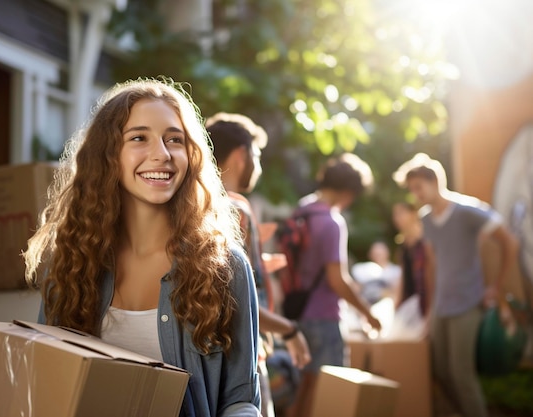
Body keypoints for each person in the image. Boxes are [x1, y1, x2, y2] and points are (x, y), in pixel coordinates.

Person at [23, 78, 261, 417]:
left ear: (190, 155)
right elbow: (45, 381)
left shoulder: (225, 266)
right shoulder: (70, 262)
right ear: (108, 155)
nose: (161, 155)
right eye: (139, 138)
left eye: (174, 140)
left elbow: (242, 399)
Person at [393, 152, 518, 417]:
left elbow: (509, 242)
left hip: (468, 301)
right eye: (412, 190)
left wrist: (496, 286)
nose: (416, 194)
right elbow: (430, 264)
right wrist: (429, 311)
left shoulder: (468, 211)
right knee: (439, 370)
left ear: (435, 181)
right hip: (440, 305)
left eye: (418, 187)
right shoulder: (426, 218)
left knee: (461, 372)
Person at [206, 112, 311, 417]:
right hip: (244, 360)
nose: (259, 165)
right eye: (258, 155)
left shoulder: (200, 205)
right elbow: (239, 301)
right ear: (242, 155)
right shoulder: (237, 209)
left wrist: (259, 264)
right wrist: (290, 331)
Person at [285, 153, 382, 417]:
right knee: (329, 397)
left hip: (296, 314)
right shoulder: (331, 222)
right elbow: (336, 280)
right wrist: (367, 312)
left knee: (302, 392)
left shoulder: (302, 211)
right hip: (324, 318)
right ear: (349, 192)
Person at [391, 201, 432, 317]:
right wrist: (398, 302)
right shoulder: (403, 246)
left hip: (424, 299)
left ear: (413, 214)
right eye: (395, 215)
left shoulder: (425, 241)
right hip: (410, 300)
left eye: (401, 213)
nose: (397, 218)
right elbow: (403, 276)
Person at [350, 240, 401, 305]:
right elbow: (355, 289)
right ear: (370, 254)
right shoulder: (361, 269)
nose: (378, 254)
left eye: (380, 252)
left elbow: (396, 292)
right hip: (365, 305)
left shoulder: (396, 271)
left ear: (388, 253)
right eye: (375, 252)